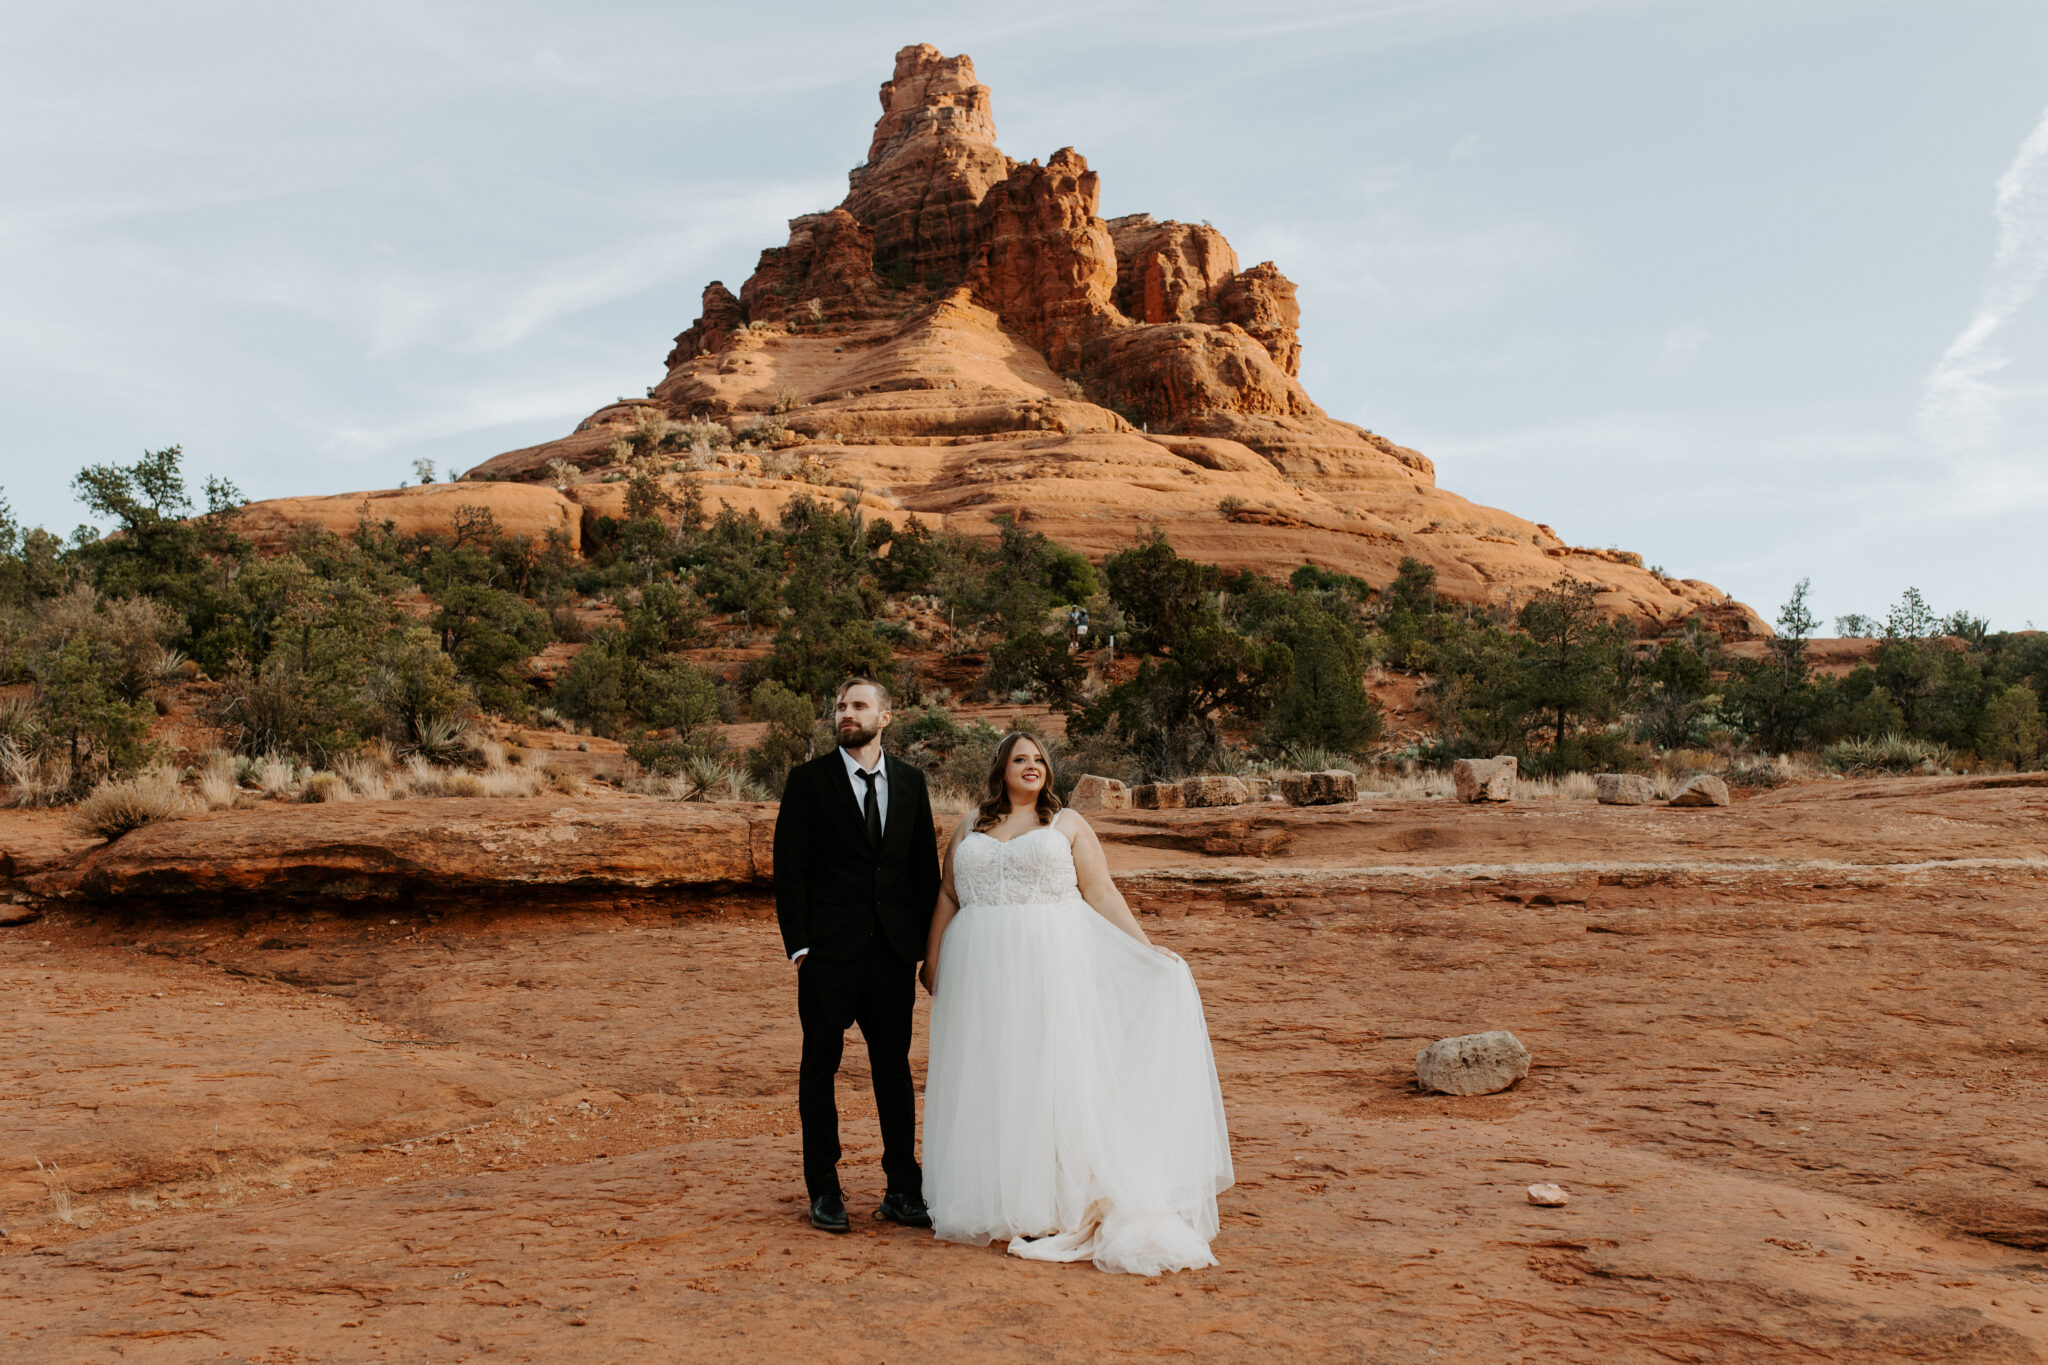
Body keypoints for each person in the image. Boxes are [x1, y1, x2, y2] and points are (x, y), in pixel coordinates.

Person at [920, 733, 1233, 1274]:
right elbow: (948, 893)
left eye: (1040, 759)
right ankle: (999, 1194)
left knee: (1052, 1073)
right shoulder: (970, 825)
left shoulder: (1067, 825)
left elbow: (1102, 891)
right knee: (994, 1075)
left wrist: (1145, 946)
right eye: (1020, 759)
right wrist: (932, 961)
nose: (1032, 766)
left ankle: (1053, 1198)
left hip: (1050, 968)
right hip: (979, 975)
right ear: (1001, 770)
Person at [772, 677, 941, 1234]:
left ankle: (902, 1189)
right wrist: (799, 947)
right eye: (840, 705)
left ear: (885, 717)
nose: (845, 713)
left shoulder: (914, 784)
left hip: (892, 954)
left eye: (858, 706)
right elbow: (790, 869)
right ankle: (824, 1189)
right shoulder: (808, 782)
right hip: (827, 955)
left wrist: (920, 949)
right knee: (818, 1069)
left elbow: (923, 872)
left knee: (892, 1071)